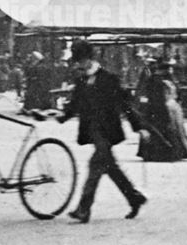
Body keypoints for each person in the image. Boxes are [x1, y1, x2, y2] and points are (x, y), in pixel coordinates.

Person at [59, 40, 148, 224]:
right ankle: (134, 197)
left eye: (80, 61)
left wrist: (138, 127)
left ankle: (83, 209)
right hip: (92, 131)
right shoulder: (81, 80)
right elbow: (75, 105)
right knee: (110, 168)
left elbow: (125, 105)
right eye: (77, 61)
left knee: (95, 169)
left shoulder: (109, 79)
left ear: (89, 59)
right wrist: (59, 116)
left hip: (106, 131)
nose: (78, 65)